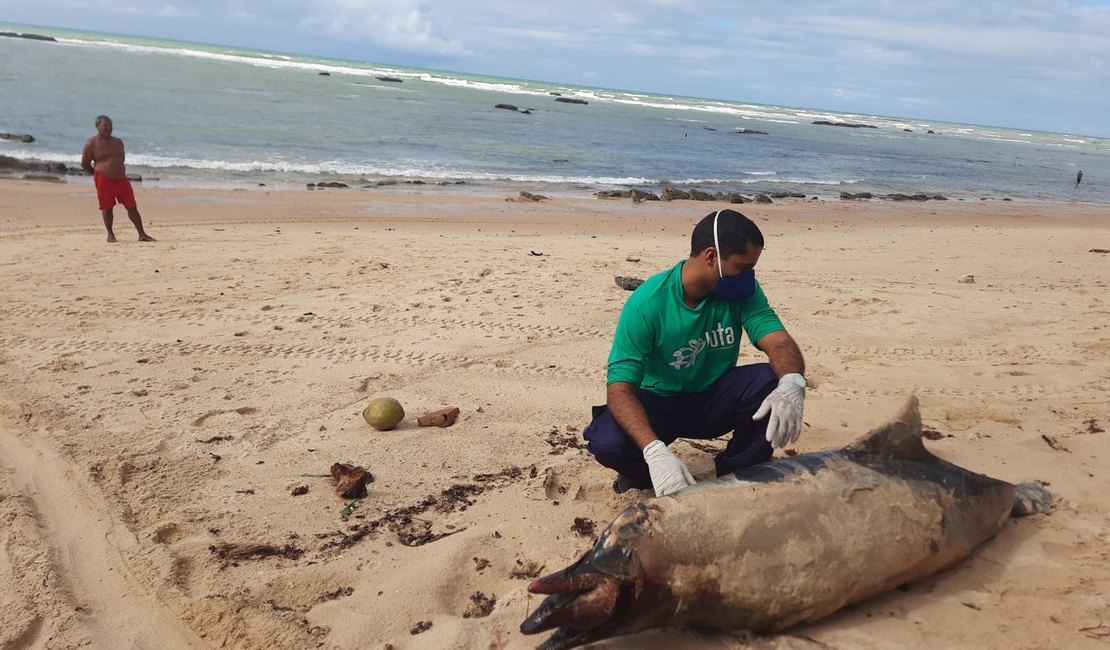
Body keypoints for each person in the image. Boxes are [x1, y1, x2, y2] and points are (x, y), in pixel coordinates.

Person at [583, 209, 806, 497]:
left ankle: (739, 473)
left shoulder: (742, 292)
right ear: (711, 257)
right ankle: (640, 476)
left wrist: (793, 381)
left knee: (771, 380)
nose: (749, 276)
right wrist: (654, 451)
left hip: (713, 398)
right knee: (607, 441)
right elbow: (619, 389)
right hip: (659, 404)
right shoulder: (648, 304)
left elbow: (779, 342)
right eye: (743, 267)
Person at [81, 115, 154, 242]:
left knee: (132, 206)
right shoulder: (91, 143)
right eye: (105, 126)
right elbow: (84, 163)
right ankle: (110, 234)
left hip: (121, 179)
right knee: (107, 207)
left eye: (110, 126)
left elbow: (122, 159)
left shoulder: (118, 142)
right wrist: (97, 172)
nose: (108, 128)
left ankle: (142, 234)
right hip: (103, 179)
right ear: (97, 127)